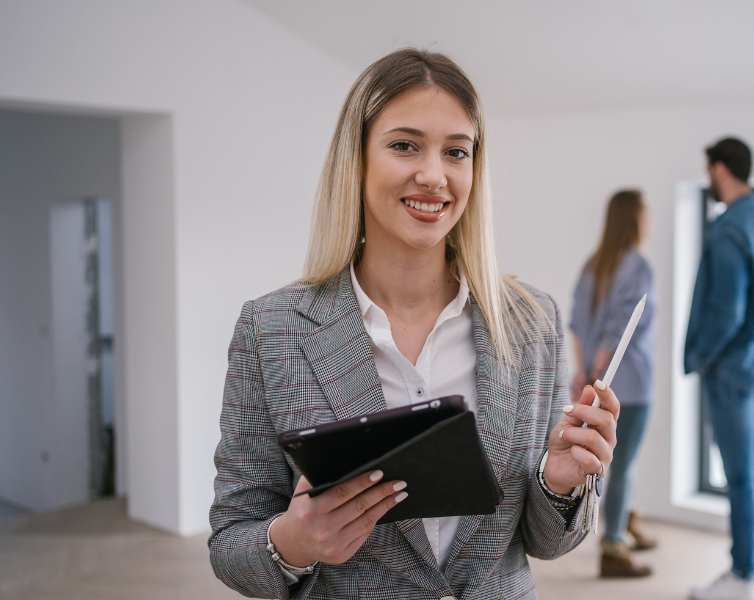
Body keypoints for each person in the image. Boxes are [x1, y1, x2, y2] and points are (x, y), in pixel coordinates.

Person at [208, 49, 623, 600]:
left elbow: (544, 544)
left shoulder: (531, 321)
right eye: (404, 145)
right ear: (357, 159)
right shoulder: (271, 330)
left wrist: (560, 485)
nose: (434, 176)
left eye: (457, 152)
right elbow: (230, 545)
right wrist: (294, 540)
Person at [685, 138, 754, 600]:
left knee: (739, 475)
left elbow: (726, 312)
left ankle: (742, 577)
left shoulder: (729, 229)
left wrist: (703, 356)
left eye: (709, 170)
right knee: (748, 470)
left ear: (720, 170)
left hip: (731, 370)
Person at [569, 190, 658, 578]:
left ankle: (626, 519)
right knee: (621, 465)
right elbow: (620, 327)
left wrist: (584, 371)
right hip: (630, 384)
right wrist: (600, 372)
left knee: (614, 463)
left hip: (592, 376)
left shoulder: (594, 263)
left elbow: (576, 322)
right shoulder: (638, 265)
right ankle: (614, 545)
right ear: (635, 219)